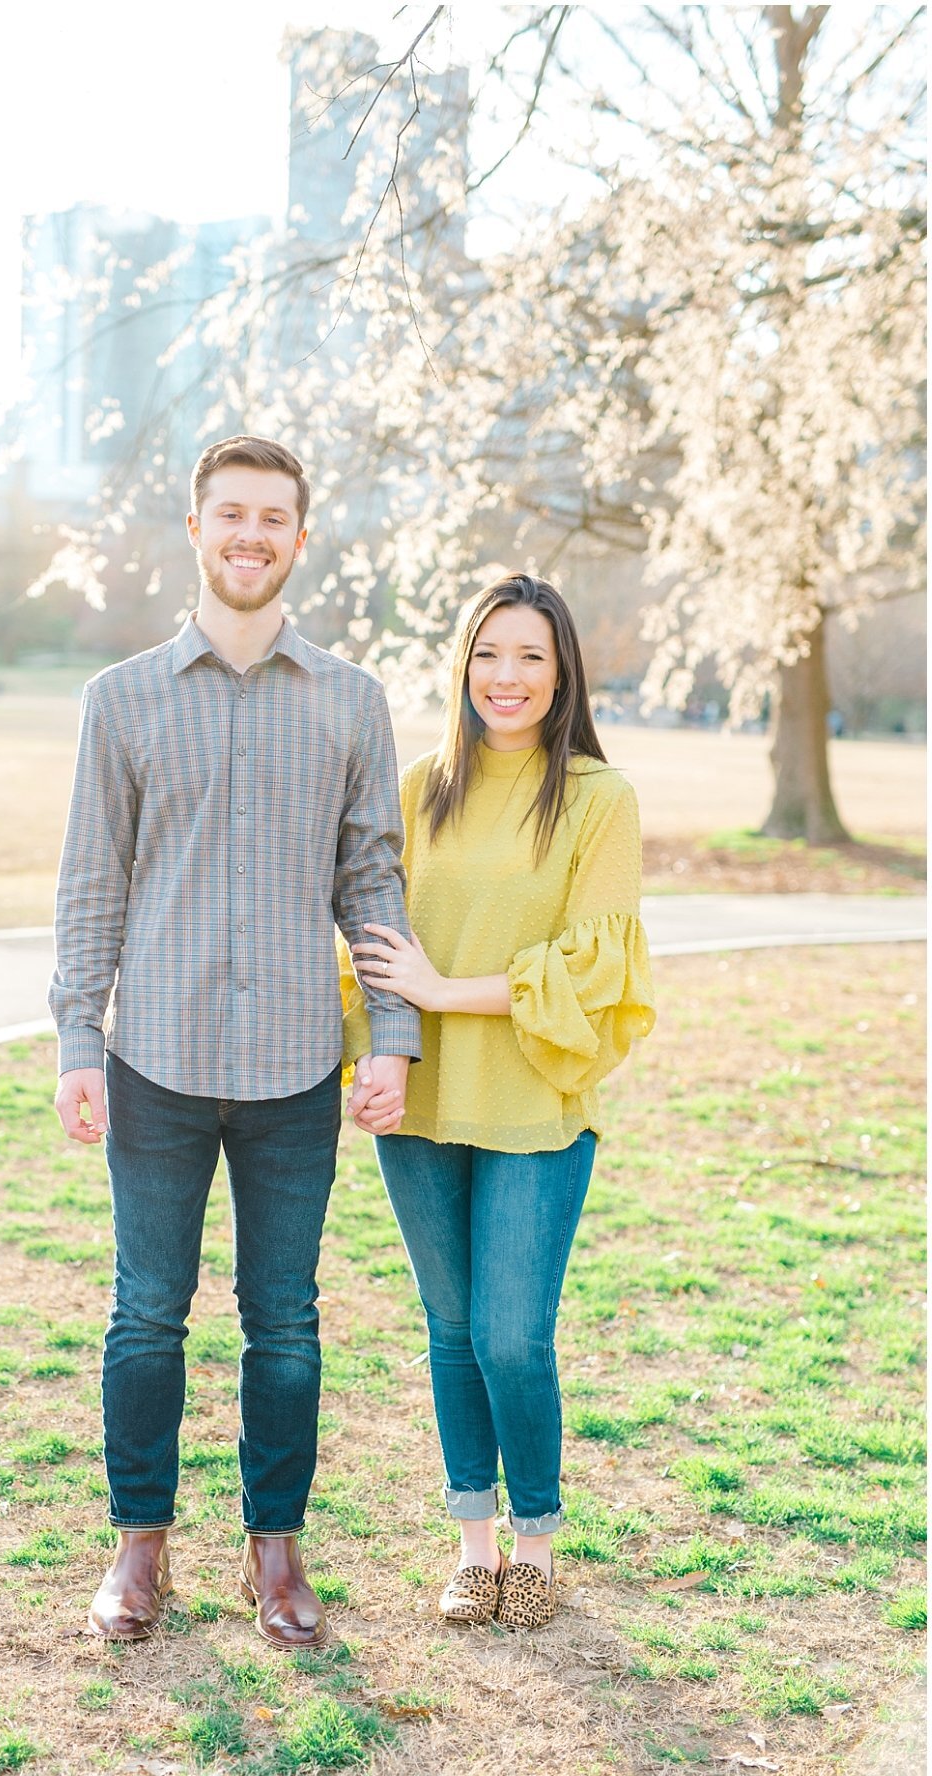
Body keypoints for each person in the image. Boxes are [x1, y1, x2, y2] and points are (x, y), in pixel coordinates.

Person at [48, 435, 421, 1647]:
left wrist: (392, 1038)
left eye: (274, 518)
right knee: (146, 1312)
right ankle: (139, 1549)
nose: (251, 536)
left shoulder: (353, 699)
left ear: (299, 540)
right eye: (231, 516)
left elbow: (373, 879)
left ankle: (276, 1551)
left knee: (287, 1320)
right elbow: (91, 880)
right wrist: (77, 1038)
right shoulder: (123, 699)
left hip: (295, 1068)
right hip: (153, 1057)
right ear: (197, 529)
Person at [343, 572, 655, 1630]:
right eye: (488, 653)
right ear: (461, 663)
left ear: (562, 670)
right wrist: (373, 1050)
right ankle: (473, 1541)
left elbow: (591, 966)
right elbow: (374, 943)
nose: (506, 676)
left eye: (529, 655)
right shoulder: (421, 785)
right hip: (423, 1102)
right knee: (451, 1324)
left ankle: (537, 1537)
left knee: (512, 1334)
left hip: (534, 1102)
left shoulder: (597, 799)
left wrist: (443, 991)